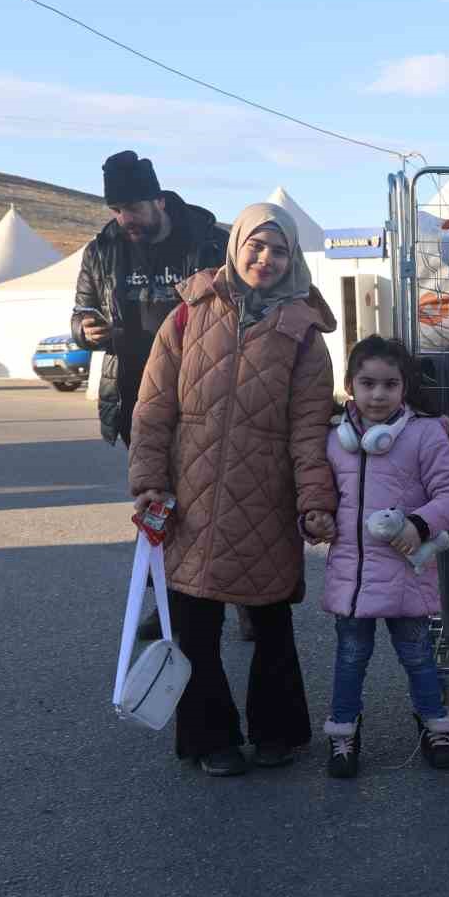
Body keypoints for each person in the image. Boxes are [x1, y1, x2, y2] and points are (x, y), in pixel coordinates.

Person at [128, 203, 338, 777]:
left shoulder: (304, 336)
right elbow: (153, 409)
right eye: (256, 246)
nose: (265, 259)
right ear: (236, 245)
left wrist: (315, 501)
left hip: (265, 499)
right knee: (195, 625)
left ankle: (278, 732)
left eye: (279, 250)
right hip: (190, 499)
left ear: (292, 258)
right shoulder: (188, 315)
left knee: (270, 624)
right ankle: (208, 738)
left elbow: (309, 429)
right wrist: (149, 483)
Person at [72, 152, 236, 640]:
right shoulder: (101, 250)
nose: (125, 220)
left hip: (203, 393)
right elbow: (81, 308)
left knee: (221, 499)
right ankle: (168, 602)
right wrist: (84, 329)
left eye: (133, 208)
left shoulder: (210, 242)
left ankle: (244, 594)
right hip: (136, 397)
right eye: (117, 210)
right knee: (158, 502)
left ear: (158, 200)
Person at [320, 335, 449, 779]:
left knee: (419, 656)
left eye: (389, 384)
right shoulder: (335, 439)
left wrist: (418, 524)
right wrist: (312, 520)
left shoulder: (425, 435)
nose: (378, 394)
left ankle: (435, 725)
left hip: (406, 574)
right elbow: (318, 497)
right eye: (367, 383)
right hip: (352, 578)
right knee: (350, 657)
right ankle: (343, 732)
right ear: (350, 385)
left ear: (405, 387)